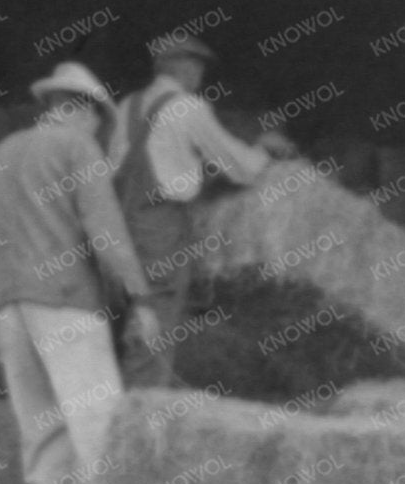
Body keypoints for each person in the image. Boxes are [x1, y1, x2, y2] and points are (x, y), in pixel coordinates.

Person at [0, 62, 161, 484]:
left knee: (44, 434)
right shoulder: (76, 148)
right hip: (65, 302)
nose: (99, 131)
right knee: (99, 425)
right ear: (81, 110)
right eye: (99, 120)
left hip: (9, 310)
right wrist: (139, 296)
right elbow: (104, 230)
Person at [107, 30, 298, 385]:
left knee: (129, 311)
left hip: (118, 224)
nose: (200, 77)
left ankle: (115, 404)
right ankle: (142, 413)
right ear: (185, 69)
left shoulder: (126, 106)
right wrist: (263, 149)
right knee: (157, 313)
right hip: (159, 225)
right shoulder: (188, 108)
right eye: (198, 68)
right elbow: (239, 167)